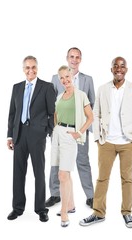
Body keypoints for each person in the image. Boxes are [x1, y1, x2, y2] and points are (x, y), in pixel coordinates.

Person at [79, 57, 132, 228]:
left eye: (122, 66)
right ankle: (98, 213)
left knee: (127, 178)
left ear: (126, 69)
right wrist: (97, 138)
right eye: (115, 66)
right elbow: (96, 114)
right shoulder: (103, 89)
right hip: (106, 142)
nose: (119, 69)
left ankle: (127, 213)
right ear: (111, 69)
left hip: (127, 142)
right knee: (102, 178)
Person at [6, 55, 56, 222]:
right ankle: (17, 208)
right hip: (19, 135)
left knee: (38, 172)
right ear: (23, 69)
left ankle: (41, 209)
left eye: (33, 67)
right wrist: (10, 135)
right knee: (18, 173)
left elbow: (52, 114)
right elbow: (12, 114)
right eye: (27, 67)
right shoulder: (16, 87)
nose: (31, 70)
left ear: (37, 68)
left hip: (37, 136)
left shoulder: (46, 87)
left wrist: (46, 131)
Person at [46, 47, 96, 209]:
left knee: (83, 161)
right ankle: (55, 194)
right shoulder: (56, 78)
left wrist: (87, 129)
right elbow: (51, 104)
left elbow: (92, 104)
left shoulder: (87, 80)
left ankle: (90, 196)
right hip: (60, 129)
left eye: (77, 57)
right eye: (71, 57)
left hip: (80, 129)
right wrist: (53, 128)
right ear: (67, 58)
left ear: (81, 59)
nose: (74, 60)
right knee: (57, 162)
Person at [51, 65, 93, 227]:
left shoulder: (81, 95)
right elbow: (55, 114)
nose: (65, 80)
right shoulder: (60, 96)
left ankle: (64, 212)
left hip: (70, 134)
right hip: (58, 133)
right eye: (61, 78)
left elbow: (90, 117)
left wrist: (79, 132)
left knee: (63, 174)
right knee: (63, 173)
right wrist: (56, 128)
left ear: (71, 77)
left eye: (67, 76)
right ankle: (71, 205)